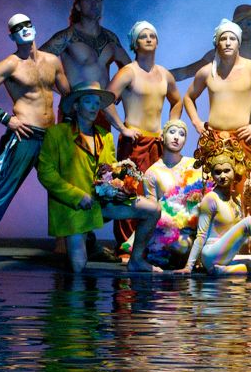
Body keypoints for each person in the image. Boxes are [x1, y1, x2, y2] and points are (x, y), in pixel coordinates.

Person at [0, 14, 69, 264]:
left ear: (34, 27)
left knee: (68, 187)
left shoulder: (53, 61)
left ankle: (84, 241)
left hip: (50, 136)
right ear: (11, 35)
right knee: (1, 190)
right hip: (24, 134)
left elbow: (68, 94)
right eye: (18, 28)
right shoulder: (10, 64)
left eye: (28, 24)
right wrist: (7, 120)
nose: (24, 29)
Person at [36, 82, 162, 273]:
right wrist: (76, 196)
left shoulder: (105, 136)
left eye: (97, 103)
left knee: (152, 209)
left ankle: (136, 259)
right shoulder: (57, 134)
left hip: (100, 203)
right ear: (77, 106)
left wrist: (120, 191)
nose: (95, 107)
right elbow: (46, 173)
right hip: (74, 207)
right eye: (89, 101)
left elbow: (110, 172)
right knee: (78, 268)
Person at [102, 20, 182, 258]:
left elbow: (177, 101)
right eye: (143, 36)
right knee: (129, 192)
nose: (148, 39)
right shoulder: (128, 71)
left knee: (157, 193)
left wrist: (171, 128)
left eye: (152, 36)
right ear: (134, 43)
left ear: (157, 41)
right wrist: (121, 127)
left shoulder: (164, 74)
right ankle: (126, 247)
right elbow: (106, 99)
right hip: (134, 142)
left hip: (157, 142)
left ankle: (150, 245)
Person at [184, 19, 251, 177]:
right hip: (213, 140)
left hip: (241, 140)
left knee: (242, 190)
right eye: (223, 39)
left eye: (232, 39)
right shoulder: (207, 71)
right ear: (217, 43)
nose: (228, 43)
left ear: (239, 43)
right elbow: (189, 97)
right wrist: (197, 122)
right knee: (210, 190)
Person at [171, 4, 251, 147]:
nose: (245, 27)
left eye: (249, 23)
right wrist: (157, 73)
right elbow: (186, 73)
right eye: (240, 24)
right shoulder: (214, 60)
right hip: (217, 134)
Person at [176, 150, 251, 277]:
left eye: (227, 171)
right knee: (250, 221)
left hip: (227, 255)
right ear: (212, 174)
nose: (222, 176)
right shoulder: (211, 198)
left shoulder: (236, 197)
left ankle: (224, 271)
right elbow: (200, 236)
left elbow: (239, 234)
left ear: (235, 171)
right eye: (217, 172)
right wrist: (188, 267)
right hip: (211, 254)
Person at [40, 0, 130, 111]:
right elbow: (35, 62)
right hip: (75, 108)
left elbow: (132, 69)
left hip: (103, 110)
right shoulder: (67, 37)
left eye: (98, 1)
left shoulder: (111, 38)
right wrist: (63, 90)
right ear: (78, 6)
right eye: (88, 0)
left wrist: (119, 89)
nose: (94, 4)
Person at [143, 120, 208, 270]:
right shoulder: (152, 173)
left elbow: (206, 194)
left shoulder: (194, 165)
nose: (177, 137)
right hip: (166, 231)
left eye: (182, 134)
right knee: (178, 247)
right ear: (162, 136)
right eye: (172, 132)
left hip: (194, 228)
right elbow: (152, 210)